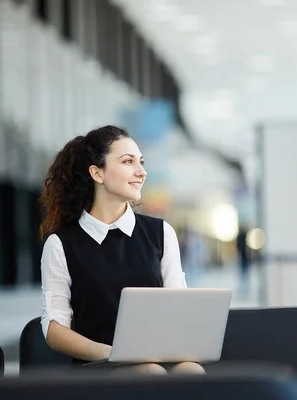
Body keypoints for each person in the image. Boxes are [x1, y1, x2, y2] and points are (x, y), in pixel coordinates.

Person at [39, 125, 205, 375]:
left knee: (190, 371)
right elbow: (54, 329)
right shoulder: (61, 243)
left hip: (158, 358)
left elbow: (177, 308)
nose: (141, 172)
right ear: (97, 173)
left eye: (141, 162)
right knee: (150, 373)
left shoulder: (161, 233)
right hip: (100, 366)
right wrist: (114, 353)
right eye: (128, 162)